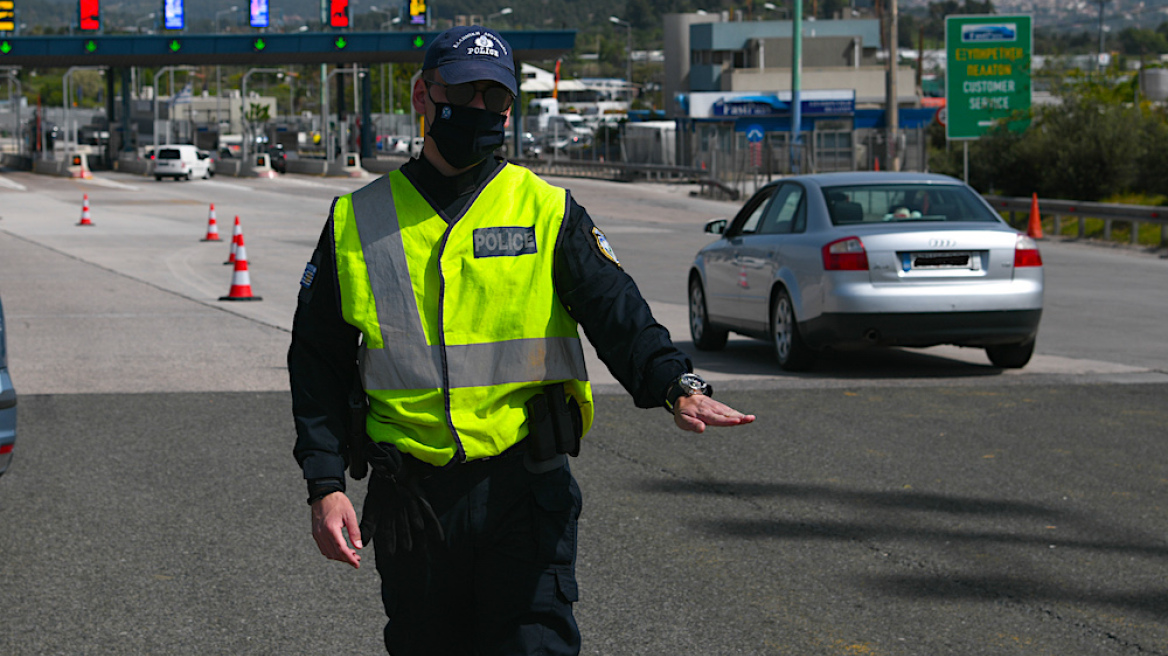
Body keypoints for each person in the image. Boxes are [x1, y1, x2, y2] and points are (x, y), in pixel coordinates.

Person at [289, 25, 755, 656]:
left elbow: (617, 309)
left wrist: (676, 383)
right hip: (414, 502)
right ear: (423, 95)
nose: (480, 108)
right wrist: (325, 484)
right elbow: (316, 361)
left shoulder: (547, 209)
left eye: (497, 97)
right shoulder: (357, 220)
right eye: (464, 92)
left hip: (525, 492)